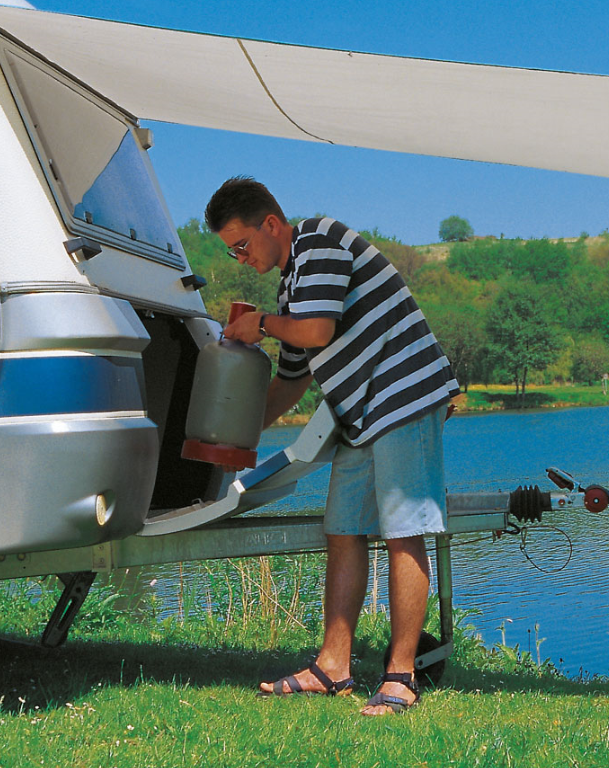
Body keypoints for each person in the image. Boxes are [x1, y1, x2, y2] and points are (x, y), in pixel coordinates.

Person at [205, 177, 459, 716]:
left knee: (403, 529)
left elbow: (317, 330)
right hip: (362, 414)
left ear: (271, 225)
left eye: (242, 245)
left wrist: (262, 327)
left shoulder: (319, 240)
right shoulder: (288, 287)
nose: (240, 258)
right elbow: (292, 381)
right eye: (232, 251)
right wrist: (234, 436)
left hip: (404, 395)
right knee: (343, 528)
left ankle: (401, 675)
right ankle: (333, 666)